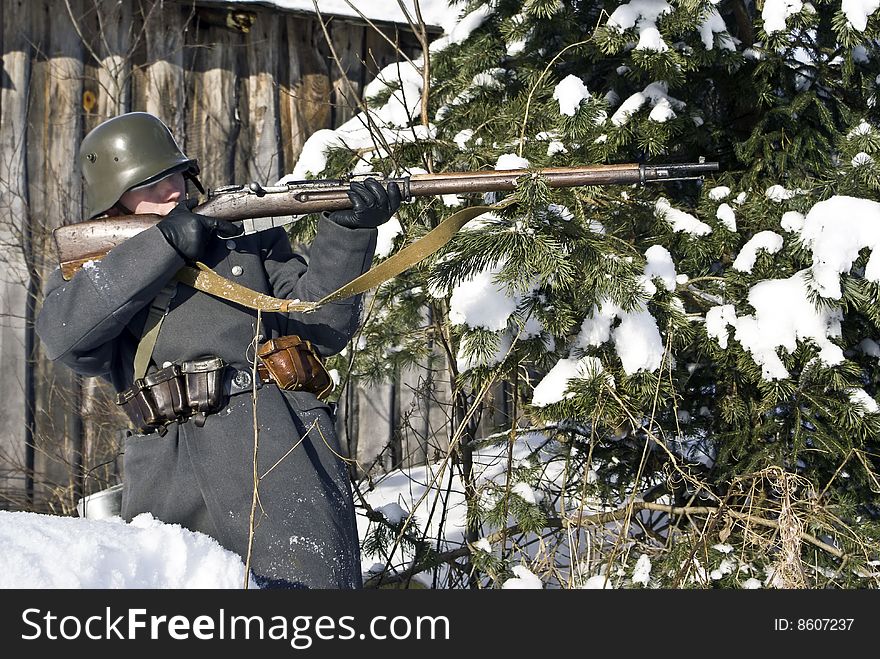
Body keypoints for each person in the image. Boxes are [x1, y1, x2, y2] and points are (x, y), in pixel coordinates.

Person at [35, 112, 401, 588]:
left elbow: (323, 326)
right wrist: (161, 247)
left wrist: (349, 233)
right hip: (169, 470)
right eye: (149, 183)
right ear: (113, 203)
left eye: (174, 175)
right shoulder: (102, 268)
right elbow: (65, 336)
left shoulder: (245, 242)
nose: (170, 190)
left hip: (279, 449)